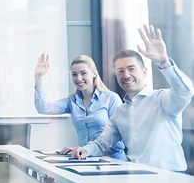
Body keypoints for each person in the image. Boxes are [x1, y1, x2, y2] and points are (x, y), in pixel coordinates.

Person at [72, 25, 194, 172]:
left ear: (144, 72)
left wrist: (163, 62)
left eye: (131, 68)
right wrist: (85, 150)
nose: (126, 75)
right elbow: (102, 143)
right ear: (116, 77)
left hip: (169, 179)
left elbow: (185, 92)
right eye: (120, 71)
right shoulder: (120, 112)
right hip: (136, 179)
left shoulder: (163, 99)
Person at [34, 53, 127, 160]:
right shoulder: (72, 101)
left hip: (114, 161)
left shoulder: (111, 98)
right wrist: (38, 78)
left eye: (83, 73)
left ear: (94, 74)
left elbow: (120, 138)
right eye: (74, 74)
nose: (78, 78)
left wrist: (88, 149)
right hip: (88, 161)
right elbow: (43, 108)